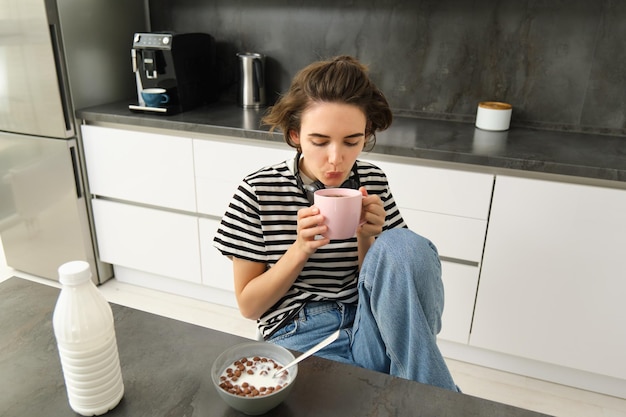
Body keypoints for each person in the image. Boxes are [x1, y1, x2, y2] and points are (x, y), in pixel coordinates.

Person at [214, 55, 458, 391]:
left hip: (371, 322)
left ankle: (427, 396)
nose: (336, 159)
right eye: (319, 141)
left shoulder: (371, 179)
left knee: (404, 244)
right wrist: (300, 248)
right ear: (295, 135)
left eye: (351, 141)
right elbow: (249, 305)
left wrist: (367, 239)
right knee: (371, 399)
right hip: (300, 329)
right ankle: (439, 399)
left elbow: (396, 281)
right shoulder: (258, 190)